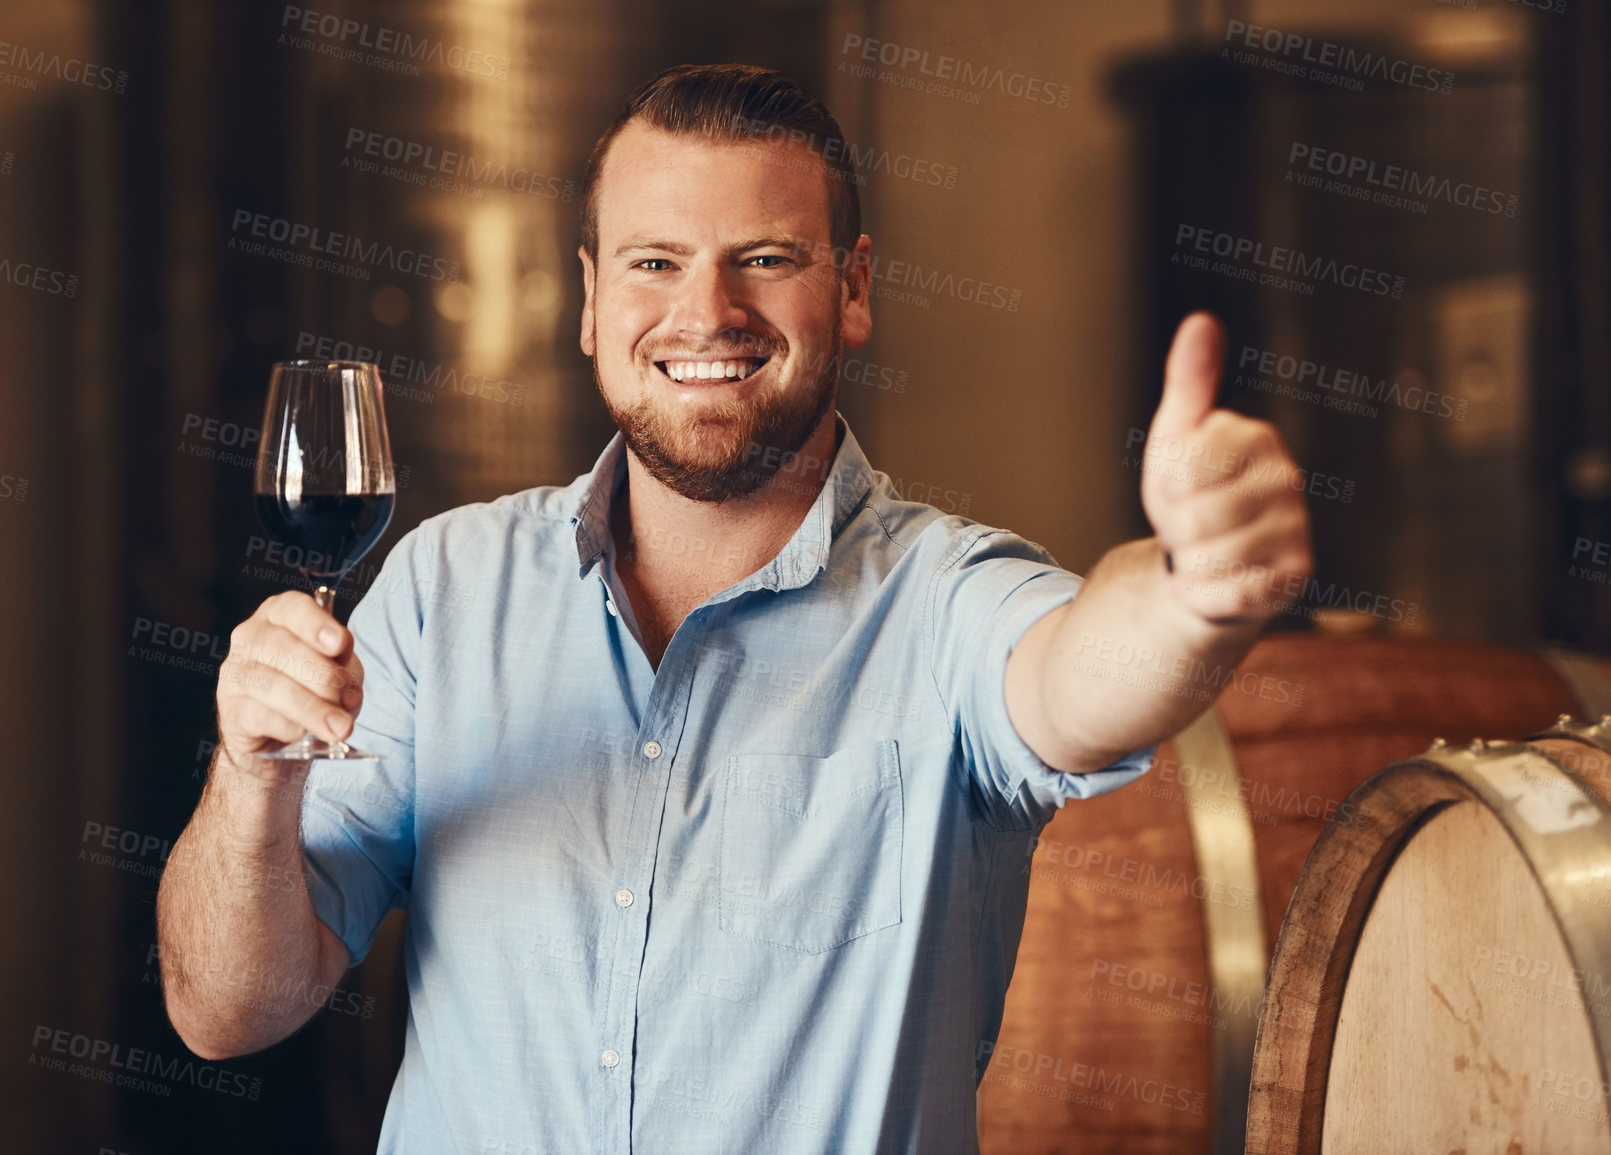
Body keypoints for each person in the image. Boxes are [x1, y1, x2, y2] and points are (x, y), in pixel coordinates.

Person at [158, 62, 1312, 1153]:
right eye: (655, 262)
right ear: (590, 298)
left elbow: (1078, 674)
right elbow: (224, 1011)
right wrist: (255, 776)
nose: (705, 312)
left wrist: (1191, 597)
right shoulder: (443, 586)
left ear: (853, 290)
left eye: (763, 257)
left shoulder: (940, 602)